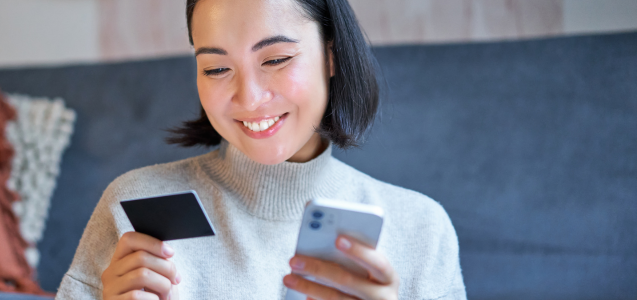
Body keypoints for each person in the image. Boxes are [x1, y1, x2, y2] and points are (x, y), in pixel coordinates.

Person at [56, 0, 466, 299]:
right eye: (217, 68)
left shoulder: (421, 231)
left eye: (277, 59)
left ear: (331, 56)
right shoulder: (136, 204)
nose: (249, 99)